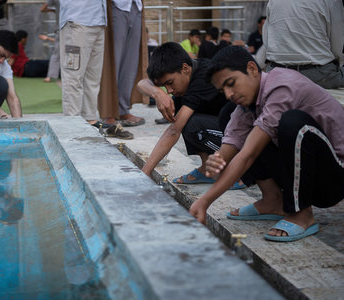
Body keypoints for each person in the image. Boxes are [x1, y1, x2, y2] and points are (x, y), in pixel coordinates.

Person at [189, 46, 344, 242]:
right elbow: (231, 148)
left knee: (292, 122)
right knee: (228, 113)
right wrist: (216, 162)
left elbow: (248, 155)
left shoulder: (282, 85)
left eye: (231, 83)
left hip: (334, 177)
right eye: (223, 90)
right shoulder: (247, 102)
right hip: (310, 171)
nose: (228, 94)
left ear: (252, 69)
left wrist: (205, 202)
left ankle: (302, 214)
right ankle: (272, 200)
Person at [137, 42, 245, 189]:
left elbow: (174, 130)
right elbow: (142, 83)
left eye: (170, 83)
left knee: (192, 125)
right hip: (227, 128)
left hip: (244, 138)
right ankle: (209, 169)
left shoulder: (203, 79)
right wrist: (157, 93)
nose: (168, 90)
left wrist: (145, 172)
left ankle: (236, 171)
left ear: (185, 69)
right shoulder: (191, 69)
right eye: (164, 86)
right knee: (189, 120)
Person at [263, 0, 344, 89]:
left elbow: (267, 38)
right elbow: (338, 41)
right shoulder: (331, 1)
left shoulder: (273, 1)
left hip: (276, 73)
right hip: (318, 75)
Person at [59, 0, 110, 129]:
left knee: (93, 76)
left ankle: (90, 118)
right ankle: (72, 121)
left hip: (98, 21)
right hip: (77, 21)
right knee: (73, 75)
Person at [98, 0, 147, 131]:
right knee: (113, 60)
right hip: (116, 6)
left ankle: (123, 109)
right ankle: (108, 111)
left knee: (131, 62)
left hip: (135, 6)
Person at [40, 0, 60, 83]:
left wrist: (54, 10)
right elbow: (43, 8)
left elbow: (43, 9)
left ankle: (49, 76)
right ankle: (50, 76)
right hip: (67, 28)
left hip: (61, 28)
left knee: (56, 53)